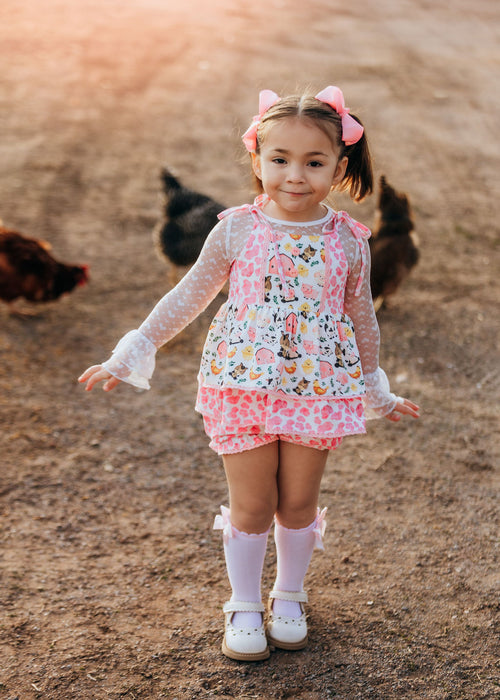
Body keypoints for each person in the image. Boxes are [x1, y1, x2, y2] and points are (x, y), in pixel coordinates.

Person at [79, 85, 420, 662]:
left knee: (298, 503)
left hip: (318, 389)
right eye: (279, 159)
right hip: (242, 386)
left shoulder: (349, 242)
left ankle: (288, 594)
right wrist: (133, 349)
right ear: (257, 160)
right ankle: (242, 604)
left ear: (339, 168)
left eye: (313, 162)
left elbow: (363, 319)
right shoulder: (237, 228)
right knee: (253, 504)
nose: (294, 175)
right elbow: (188, 296)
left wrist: (373, 387)